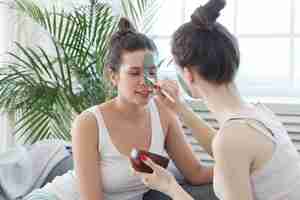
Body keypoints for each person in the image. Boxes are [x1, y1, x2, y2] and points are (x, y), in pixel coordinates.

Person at [23, 18, 214, 200]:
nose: (145, 81)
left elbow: (196, 173)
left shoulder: (164, 114)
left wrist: (241, 167)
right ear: (113, 76)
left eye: (151, 72)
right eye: (134, 73)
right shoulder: (88, 123)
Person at [134, 0, 300, 199]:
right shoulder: (258, 113)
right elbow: (228, 149)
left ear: (187, 74)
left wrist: (170, 186)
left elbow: (227, 146)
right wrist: (180, 108)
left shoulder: (231, 140)